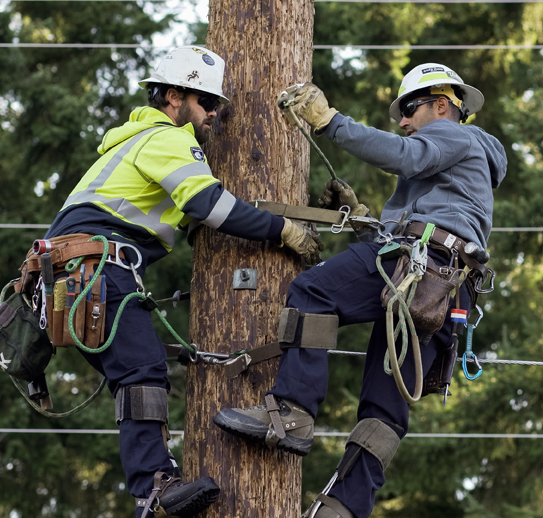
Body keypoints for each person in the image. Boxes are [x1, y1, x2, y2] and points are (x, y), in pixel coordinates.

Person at [213, 63, 507, 518]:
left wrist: (330, 121)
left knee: (313, 292)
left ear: (443, 105)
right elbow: (436, 213)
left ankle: (292, 409)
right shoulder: (461, 165)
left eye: (410, 109)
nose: (403, 121)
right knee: (384, 405)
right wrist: (365, 217)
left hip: (421, 264)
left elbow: (405, 157)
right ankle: (345, 509)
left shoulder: (457, 136)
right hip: (449, 288)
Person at [43, 46, 322, 518]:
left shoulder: (130, 143)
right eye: (207, 102)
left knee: (137, 371)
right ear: (174, 96)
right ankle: (153, 489)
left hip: (70, 277)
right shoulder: (167, 138)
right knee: (140, 371)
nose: (215, 114)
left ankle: (152, 488)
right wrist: (284, 230)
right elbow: (209, 206)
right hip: (96, 269)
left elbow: (167, 209)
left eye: (218, 106)